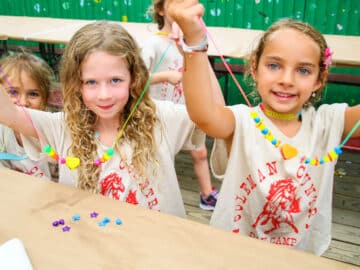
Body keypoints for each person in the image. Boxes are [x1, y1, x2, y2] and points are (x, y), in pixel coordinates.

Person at [167, 1, 360, 255]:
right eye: (274, 65)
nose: (286, 80)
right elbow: (204, 115)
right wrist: (195, 43)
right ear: (255, 69)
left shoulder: (328, 122)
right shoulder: (243, 121)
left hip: (299, 258)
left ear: (319, 80)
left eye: (303, 70)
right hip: (234, 255)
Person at [0, 21, 207, 218]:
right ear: (76, 84)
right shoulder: (61, 127)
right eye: (91, 82)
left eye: (115, 80)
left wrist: (196, 50)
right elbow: (8, 113)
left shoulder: (161, 119)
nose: (104, 95)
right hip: (90, 247)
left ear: (134, 79)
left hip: (157, 248)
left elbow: (212, 114)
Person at [141, 0, 223, 210]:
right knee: (160, 157)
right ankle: (154, 197)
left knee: (200, 152)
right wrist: (166, 76)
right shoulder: (152, 43)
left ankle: (207, 195)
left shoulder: (188, 42)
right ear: (161, 10)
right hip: (160, 115)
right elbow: (137, 79)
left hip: (188, 112)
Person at [0, 51, 57, 180]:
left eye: (33, 94)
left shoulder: (53, 134)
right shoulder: (2, 131)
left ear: (46, 99)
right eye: (13, 92)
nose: (23, 102)